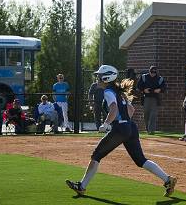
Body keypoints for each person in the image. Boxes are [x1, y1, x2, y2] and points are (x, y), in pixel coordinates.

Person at [66, 65, 177, 197]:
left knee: (96, 156)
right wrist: (123, 122)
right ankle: (167, 179)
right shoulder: (119, 92)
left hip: (121, 129)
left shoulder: (108, 92)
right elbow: (131, 110)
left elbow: (113, 109)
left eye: (99, 76)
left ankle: (82, 186)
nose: (97, 79)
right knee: (140, 160)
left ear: (106, 78)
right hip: (131, 127)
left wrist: (107, 123)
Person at [136, 65, 166, 134]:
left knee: (153, 114)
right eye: (152, 72)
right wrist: (144, 90)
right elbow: (138, 87)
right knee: (146, 114)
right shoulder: (144, 77)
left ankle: (151, 130)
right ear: (149, 71)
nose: (153, 74)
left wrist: (159, 89)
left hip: (155, 98)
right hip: (146, 97)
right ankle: (147, 129)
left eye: (154, 73)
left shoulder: (160, 78)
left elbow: (164, 88)